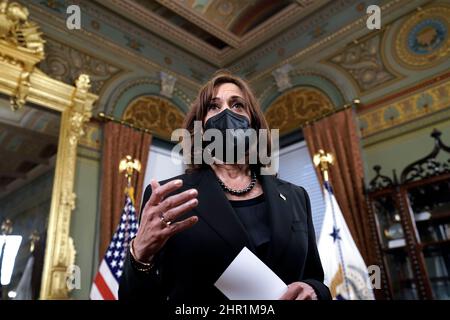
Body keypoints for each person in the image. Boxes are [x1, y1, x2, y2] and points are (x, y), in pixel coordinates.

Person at [118, 72, 332, 302]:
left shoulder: (295, 196)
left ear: (255, 124)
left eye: (237, 105)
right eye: (214, 106)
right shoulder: (170, 197)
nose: (227, 113)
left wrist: (314, 290)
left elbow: (315, 277)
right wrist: (139, 254)